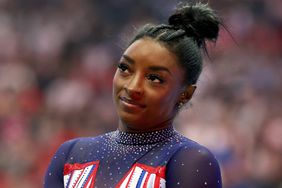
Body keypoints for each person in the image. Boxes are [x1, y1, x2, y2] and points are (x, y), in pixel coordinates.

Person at [44, 2, 222, 188]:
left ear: (185, 94)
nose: (132, 87)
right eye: (125, 68)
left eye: (154, 78)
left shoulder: (189, 160)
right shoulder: (70, 154)